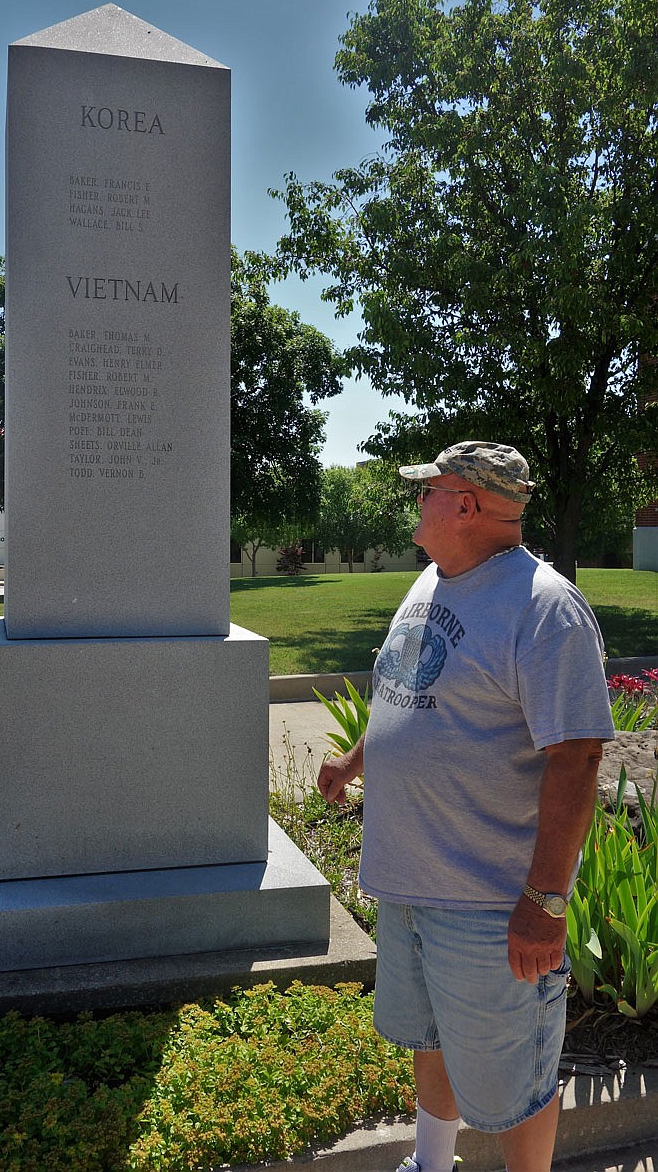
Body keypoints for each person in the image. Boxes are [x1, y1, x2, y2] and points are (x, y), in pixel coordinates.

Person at [317, 442, 614, 1172]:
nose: (417, 501)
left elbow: (576, 758)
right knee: (431, 1038)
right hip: (410, 883)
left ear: (466, 505)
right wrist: (357, 760)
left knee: (518, 1079)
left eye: (428, 490)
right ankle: (430, 1163)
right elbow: (412, 687)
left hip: (489, 901)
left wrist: (545, 902)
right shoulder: (431, 581)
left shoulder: (545, 608)